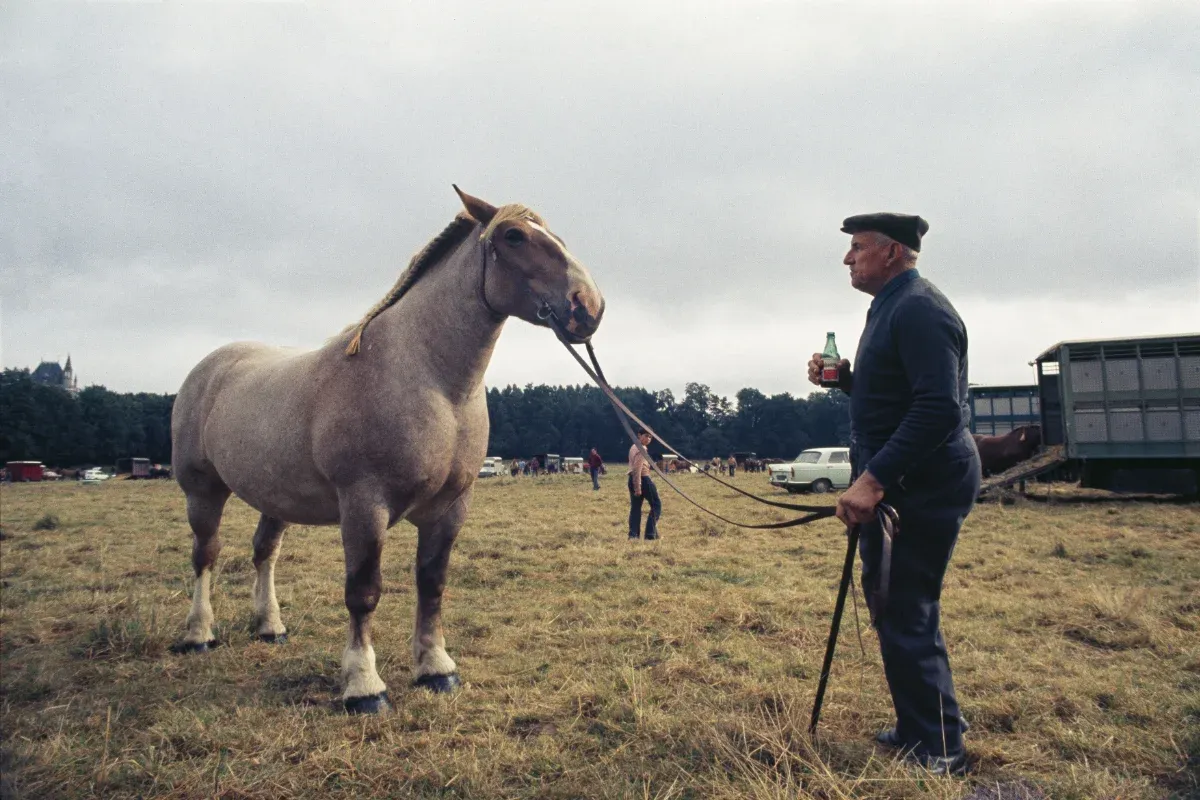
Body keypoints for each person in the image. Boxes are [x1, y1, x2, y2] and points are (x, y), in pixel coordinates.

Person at [806, 212, 980, 776]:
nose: (847, 258)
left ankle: (941, 748)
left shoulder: (920, 310)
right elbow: (904, 394)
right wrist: (846, 381)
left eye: (857, 248)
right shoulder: (892, 305)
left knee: (905, 607)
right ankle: (920, 724)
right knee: (896, 602)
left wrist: (873, 481)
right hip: (906, 484)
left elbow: (938, 409)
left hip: (920, 487)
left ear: (893, 253)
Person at [627, 429, 661, 540]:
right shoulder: (641, 448)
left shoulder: (633, 447)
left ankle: (633, 535)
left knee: (635, 508)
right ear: (639, 435)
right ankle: (650, 534)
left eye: (650, 437)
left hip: (633, 479)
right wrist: (638, 487)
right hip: (643, 479)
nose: (648, 439)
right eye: (646, 436)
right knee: (656, 504)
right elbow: (637, 469)